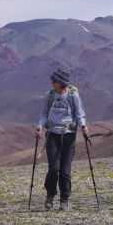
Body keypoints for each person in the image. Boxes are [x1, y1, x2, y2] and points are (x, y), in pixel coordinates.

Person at [35, 69, 88, 211]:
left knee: (65, 170)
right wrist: (40, 126)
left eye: (54, 81)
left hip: (69, 135)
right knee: (53, 168)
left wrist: (83, 126)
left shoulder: (72, 95)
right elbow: (44, 114)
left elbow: (79, 113)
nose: (52, 83)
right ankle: (50, 195)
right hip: (52, 134)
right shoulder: (50, 95)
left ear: (61, 83)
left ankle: (64, 199)